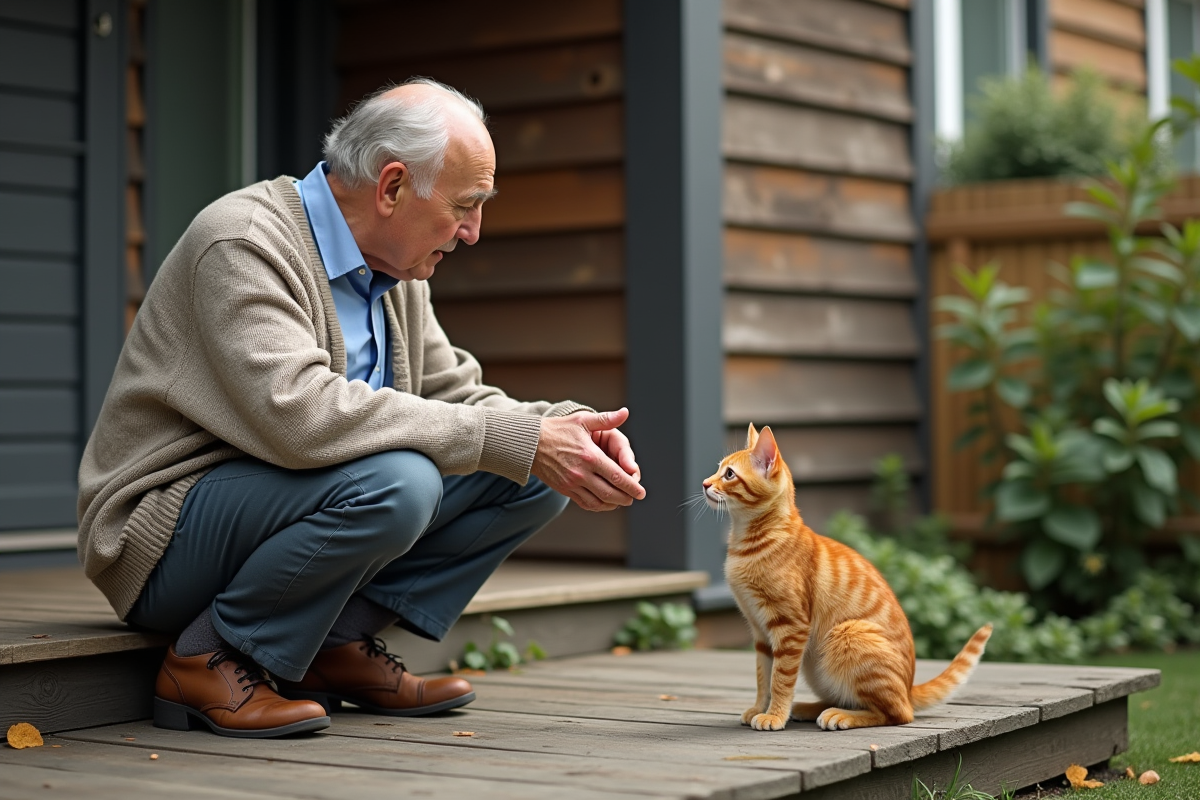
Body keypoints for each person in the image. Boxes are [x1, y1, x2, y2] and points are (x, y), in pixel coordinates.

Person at [76, 78, 645, 739]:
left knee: (528, 473)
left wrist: (564, 430)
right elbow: (302, 418)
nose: (473, 232)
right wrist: (516, 436)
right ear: (393, 187)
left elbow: (457, 397)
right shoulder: (244, 241)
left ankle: (329, 646)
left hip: (287, 511)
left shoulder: (396, 273)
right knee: (402, 482)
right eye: (466, 206)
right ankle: (209, 657)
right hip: (162, 535)